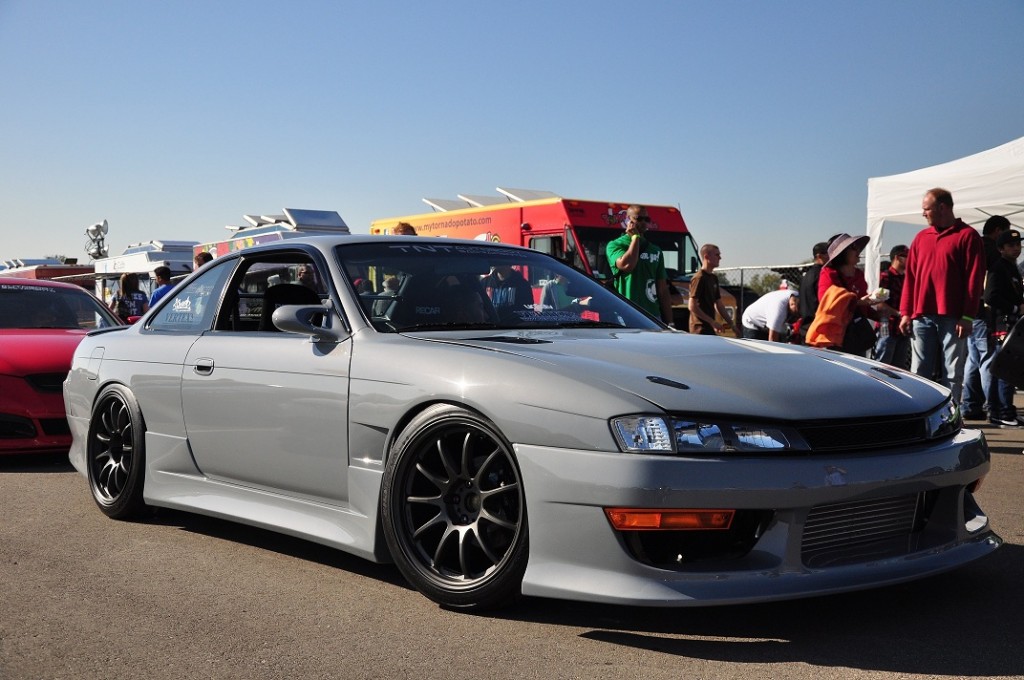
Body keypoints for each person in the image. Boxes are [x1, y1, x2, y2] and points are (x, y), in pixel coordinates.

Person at [898, 188, 986, 402]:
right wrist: (906, 312)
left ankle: (951, 415)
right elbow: (910, 278)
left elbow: (974, 280)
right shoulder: (921, 238)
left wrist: (967, 316)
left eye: (926, 209)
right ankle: (920, 413)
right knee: (919, 372)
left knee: (953, 373)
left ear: (942, 207)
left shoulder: (968, 236)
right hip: (922, 316)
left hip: (954, 318)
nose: (923, 214)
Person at [962, 215, 1011, 419]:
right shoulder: (992, 252)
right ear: (998, 231)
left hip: (969, 311)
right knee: (987, 360)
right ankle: (994, 407)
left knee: (974, 360)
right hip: (984, 312)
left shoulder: (973, 246)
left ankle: (970, 405)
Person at [982, 228, 1024, 426]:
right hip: (1002, 325)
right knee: (1005, 370)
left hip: (1013, 324)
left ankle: (1005, 410)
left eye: (1018, 245)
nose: (1016, 248)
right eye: (1011, 245)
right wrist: (1015, 307)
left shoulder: (1012, 268)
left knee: (1009, 369)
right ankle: (1002, 412)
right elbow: (990, 296)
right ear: (1001, 248)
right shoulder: (998, 268)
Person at [606, 205, 673, 324]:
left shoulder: (655, 250)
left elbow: (662, 290)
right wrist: (635, 238)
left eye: (646, 219)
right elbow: (627, 265)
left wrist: (670, 322)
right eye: (639, 218)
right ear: (628, 220)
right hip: (626, 313)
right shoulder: (615, 245)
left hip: (652, 315)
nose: (643, 222)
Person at [872, 245, 910, 368]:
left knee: (898, 367)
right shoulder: (885, 277)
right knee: (882, 365)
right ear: (898, 257)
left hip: (902, 329)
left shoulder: (906, 278)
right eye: (907, 256)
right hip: (887, 327)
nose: (910, 259)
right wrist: (899, 313)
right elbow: (879, 303)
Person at [688, 243, 735, 335]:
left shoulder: (713, 278)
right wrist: (712, 322)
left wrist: (732, 324)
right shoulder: (699, 278)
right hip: (699, 329)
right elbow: (692, 306)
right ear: (706, 257)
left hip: (709, 328)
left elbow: (719, 304)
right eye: (717, 255)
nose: (720, 258)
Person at [797, 242, 829, 338]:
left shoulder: (806, 275)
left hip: (805, 328)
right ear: (819, 256)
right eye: (828, 253)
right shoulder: (823, 275)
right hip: (817, 328)